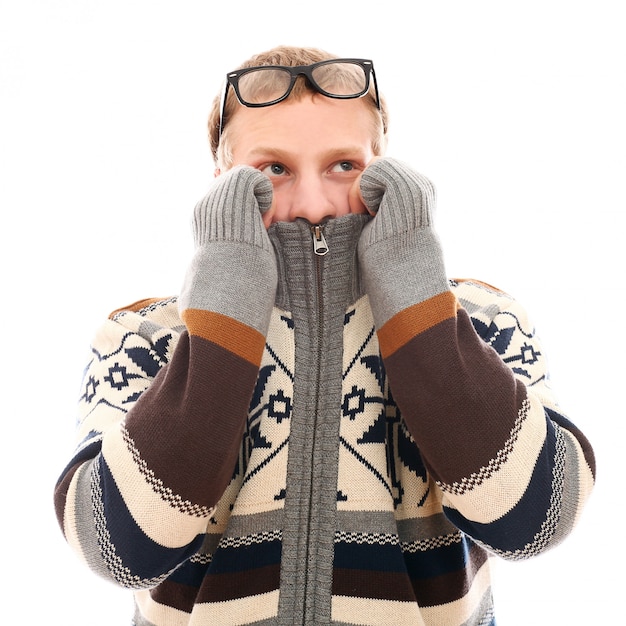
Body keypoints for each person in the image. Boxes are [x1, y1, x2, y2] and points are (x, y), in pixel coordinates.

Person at [53, 45, 596, 626]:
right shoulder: (144, 335)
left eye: (344, 166)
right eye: (272, 169)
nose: (313, 205)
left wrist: (414, 293)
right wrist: (224, 304)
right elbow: (117, 549)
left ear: (383, 169)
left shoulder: (480, 317)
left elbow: (539, 518)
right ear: (223, 184)